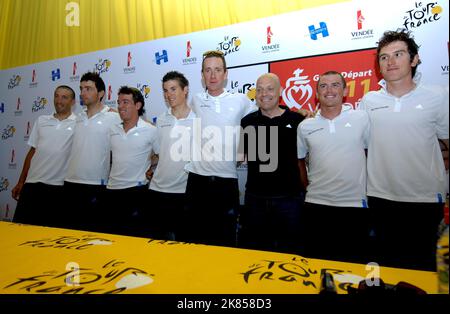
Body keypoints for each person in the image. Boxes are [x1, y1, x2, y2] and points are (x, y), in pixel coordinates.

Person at [360, 30, 449, 271]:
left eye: (398, 54)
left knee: (424, 270)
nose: (390, 62)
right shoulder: (369, 101)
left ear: (414, 59)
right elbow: (363, 146)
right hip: (380, 199)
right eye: (384, 57)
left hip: (425, 201)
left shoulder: (438, 96)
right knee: (387, 268)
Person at [184, 50, 257, 247]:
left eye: (217, 70)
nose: (213, 75)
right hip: (197, 181)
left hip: (226, 182)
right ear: (202, 75)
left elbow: (259, 122)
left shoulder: (241, 100)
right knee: (195, 240)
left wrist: (245, 150)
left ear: (226, 74)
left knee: (224, 241)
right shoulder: (195, 101)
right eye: (208, 70)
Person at [297, 71, 370, 263]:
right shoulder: (305, 126)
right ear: (316, 93)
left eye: (335, 85)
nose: (329, 90)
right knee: (315, 268)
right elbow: (299, 160)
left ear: (345, 90)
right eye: (323, 86)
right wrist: (307, 188)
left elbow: (373, 154)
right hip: (316, 207)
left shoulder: (362, 118)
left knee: (353, 270)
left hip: (354, 207)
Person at [239, 73, 305, 254]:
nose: (264, 94)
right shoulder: (247, 122)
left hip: (289, 201)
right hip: (255, 200)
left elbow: (306, 159)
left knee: (291, 255)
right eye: (259, 90)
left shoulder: (298, 121)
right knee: (255, 255)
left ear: (280, 91)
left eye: (269, 89)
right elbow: (241, 155)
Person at [12, 85, 77, 228]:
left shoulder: (78, 123)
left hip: (58, 188)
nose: (59, 100)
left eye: (64, 97)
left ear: (73, 102)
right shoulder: (41, 120)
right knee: (19, 232)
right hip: (32, 186)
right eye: (56, 95)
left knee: (49, 239)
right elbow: (32, 152)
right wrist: (21, 182)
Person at [63, 72, 120, 232]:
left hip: (97, 185)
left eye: (88, 88)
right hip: (70, 183)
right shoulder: (76, 118)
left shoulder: (114, 117)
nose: (82, 93)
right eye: (81, 88)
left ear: (101, 93)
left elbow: (141, 125)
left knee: (93, 237)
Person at [147, 71, 196, 241]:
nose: (169, 95)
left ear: (185, 90)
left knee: (183, 246)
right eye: (165, 90)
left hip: (184, 193)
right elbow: (159, 153)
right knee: (156, 244)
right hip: (157, 191)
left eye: (173, 89)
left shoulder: (198, 119)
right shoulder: (161, 119)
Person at [104, 86, 158, 237]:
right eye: (119, 102)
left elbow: (161, 155)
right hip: (111, 192)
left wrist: (152, 169)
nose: (120, 106)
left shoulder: (151, 130)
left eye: (125, 102)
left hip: (137, 194)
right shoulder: (112, 130)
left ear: (138, 105)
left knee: (134, 243)